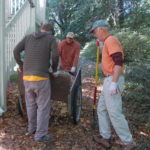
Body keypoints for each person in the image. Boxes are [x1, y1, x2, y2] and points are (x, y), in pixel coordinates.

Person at [91, 20, 136, 150]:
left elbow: (118, 62)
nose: (95, 34)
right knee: (102, 109)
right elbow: (108, 59)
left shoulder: (111, 40)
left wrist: (114, 83)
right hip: (108, 79)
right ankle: (105, 136)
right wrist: (100, 46)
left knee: (114, 112)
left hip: (113, 79)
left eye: (95, 32)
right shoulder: (107, 42)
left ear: (101, 29)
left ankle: (128, 142)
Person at [13, 23, 59, 142]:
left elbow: (15, 50)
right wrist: (54, 70)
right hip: (41, 78)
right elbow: (55, 55)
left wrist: (21, 65)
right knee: (43, 107)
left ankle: (31, 129)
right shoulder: (51, 38)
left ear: (41, 29)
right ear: (50, 31)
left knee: (31, 104)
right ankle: (40, 135)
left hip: (27, 77)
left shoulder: (28, 37)